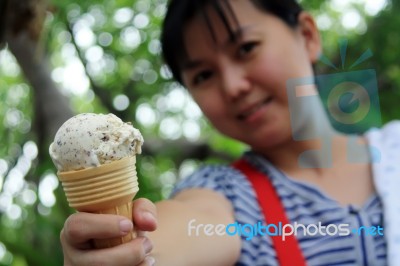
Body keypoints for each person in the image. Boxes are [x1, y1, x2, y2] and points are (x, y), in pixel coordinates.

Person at [60, 0, 400, 265]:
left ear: (308, 36)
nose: (234, 86)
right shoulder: (225, 194)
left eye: (246, 48)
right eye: (204, 76)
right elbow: (190, 224)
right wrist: (126, 249)